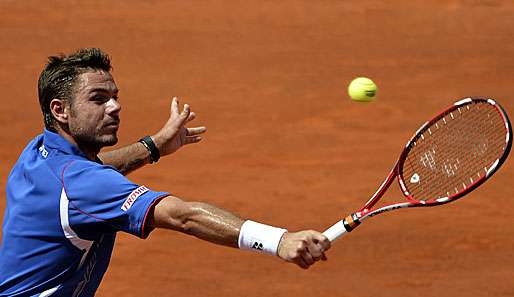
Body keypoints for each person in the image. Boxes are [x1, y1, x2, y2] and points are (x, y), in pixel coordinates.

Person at [0, 48, 331, 296]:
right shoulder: (83, 185)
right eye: (98, 99)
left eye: (115, 97)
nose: (115, 107)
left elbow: (93, 172)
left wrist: (154, 145)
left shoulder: (39, 155)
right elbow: (183, 216)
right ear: (60, 110)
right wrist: (279, 240)